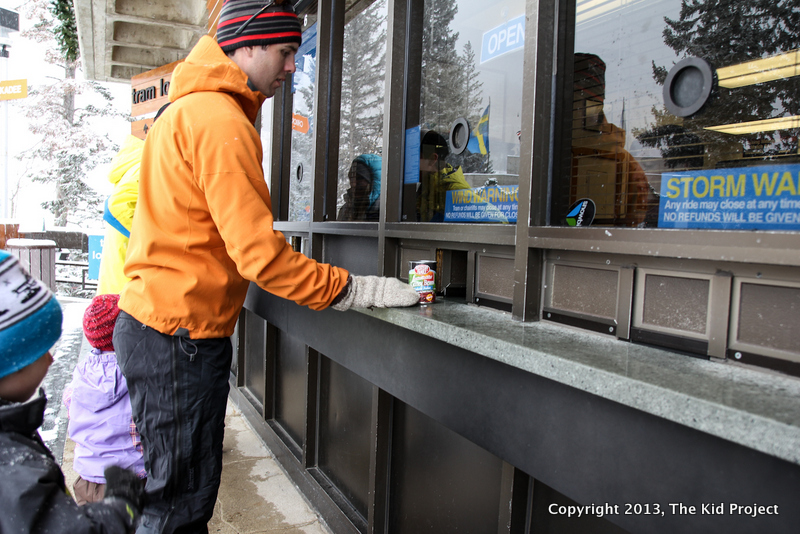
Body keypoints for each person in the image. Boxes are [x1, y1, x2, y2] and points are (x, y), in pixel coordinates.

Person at [112, 1, 419, 532]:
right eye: (284, 51)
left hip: (154, 325)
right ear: (245, 44)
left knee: (169, 493)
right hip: (177, 335)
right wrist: (357, 289)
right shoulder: (220, 121)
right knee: (180, 506)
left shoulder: (184, 111)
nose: (291, 65)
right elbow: (259, 257)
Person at [0, 250, 146, 533]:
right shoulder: (14, 469)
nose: (52, 360)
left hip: (86, 475)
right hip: (123, 481)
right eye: (42, 351)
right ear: (10, 362)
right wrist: (123, 505)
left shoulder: (83, 373)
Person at [63, 294, 146, 505]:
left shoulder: (82, 372)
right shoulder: (136, 373)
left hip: (87, 481)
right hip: (128, 481)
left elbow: (70, 405)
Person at [96, 103, 171, 295]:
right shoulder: (147, 163)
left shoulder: (143, 159)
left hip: (120, 287)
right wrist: (166, 246)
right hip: (127, 291)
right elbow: (118, 206)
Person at [417, 129, 472, 222]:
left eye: (415, 158)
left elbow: (498, 221)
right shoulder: (427, 185)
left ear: (432, 159)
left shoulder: (454, 190)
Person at [338, 154, 381, 221]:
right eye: (351, 178)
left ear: (372, 182)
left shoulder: (383, 210)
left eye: (359, 178)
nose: (354, 184)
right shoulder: (346, 210)